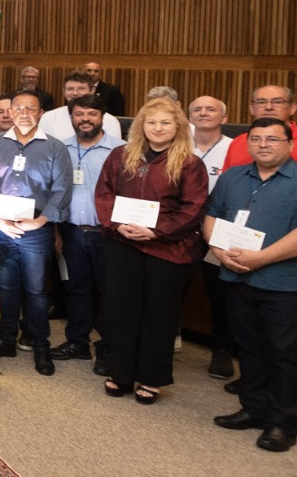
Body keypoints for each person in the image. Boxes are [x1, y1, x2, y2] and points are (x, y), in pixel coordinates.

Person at [207, 117, 297, 451]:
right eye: (256, 139)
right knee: (248, 347)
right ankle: (253, 408)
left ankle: (284, 422)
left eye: (272, 139)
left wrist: (261, 258)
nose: (263, 145)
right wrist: (218, 250)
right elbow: (211, 217)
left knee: (286, 353)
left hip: (286, 284)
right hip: (236, 276)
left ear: (290, 145)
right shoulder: (233, 178)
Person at [93, 96, 207, 403]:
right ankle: (121, 373)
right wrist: (117, 225)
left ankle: (151, 379)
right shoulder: (121, 155)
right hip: (123, 243)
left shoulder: (190, 163)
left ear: (178, 126)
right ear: (142, 125)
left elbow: (192, 208)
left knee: (159, 314)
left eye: (166, 122)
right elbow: (104, 193)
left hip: (167, 249)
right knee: (122, 310)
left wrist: (155, 231)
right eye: (152, 122)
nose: (158, 128)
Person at [0, 90, 73, 374]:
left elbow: (62, 189)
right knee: (7, 286)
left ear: (40, 113)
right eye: (19, 109)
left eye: (31, 109)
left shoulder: (55, 148)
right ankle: (6, 339)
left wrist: (41, 221)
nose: (24, 114)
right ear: (11, 112)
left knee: (36, 290)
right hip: (2, 226)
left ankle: (40, 346)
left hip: (35, 229)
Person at [49, 95, 122, 374]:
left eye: (92, 113)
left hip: (108, 234)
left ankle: (107, 348)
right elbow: (53, 190)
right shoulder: (60, 148)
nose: (85, 119)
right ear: (71, 117)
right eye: (79, 114)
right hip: (70, 232)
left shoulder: (120, 150)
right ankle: (77, 342)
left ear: (102, 117)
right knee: (76, 288)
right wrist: (55, 230)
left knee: (108, 293)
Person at [190, 94, 238, 379]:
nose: (204, 113)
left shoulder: (235, 149)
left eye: (211, 109)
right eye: (197, 109)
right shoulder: (178, 145)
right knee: (173, 286)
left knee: (218, 293)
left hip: (218, 228)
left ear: (225, 117)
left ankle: (222, 350)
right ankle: (171, 337)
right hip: (180, 227)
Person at [219, 85, 297, 176]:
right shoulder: (238, 142)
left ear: (292, 108)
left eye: (277, 102)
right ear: (252, 108)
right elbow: (226, 185)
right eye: (261, 102)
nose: (268, 107)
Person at [41, 72, 123, 143]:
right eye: (70, 89)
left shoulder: (110, 121)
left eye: (81, 88)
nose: (75, 93)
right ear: (64, 92)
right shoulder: (49, 117)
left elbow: (115, 153)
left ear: (92, 91)